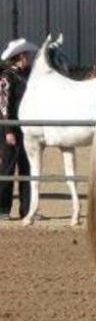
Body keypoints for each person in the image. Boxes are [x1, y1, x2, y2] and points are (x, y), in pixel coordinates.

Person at [0, 38, 38, 220]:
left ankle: (27, 208)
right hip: (12, 128)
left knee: (27, 168)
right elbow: (3, 104)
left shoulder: (29, 74)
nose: (30, 58)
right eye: (27, 55)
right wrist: (8, 129)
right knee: (8, 168)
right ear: (21, 56)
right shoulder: (7, 76)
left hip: (26, 128)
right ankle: (3, 209)